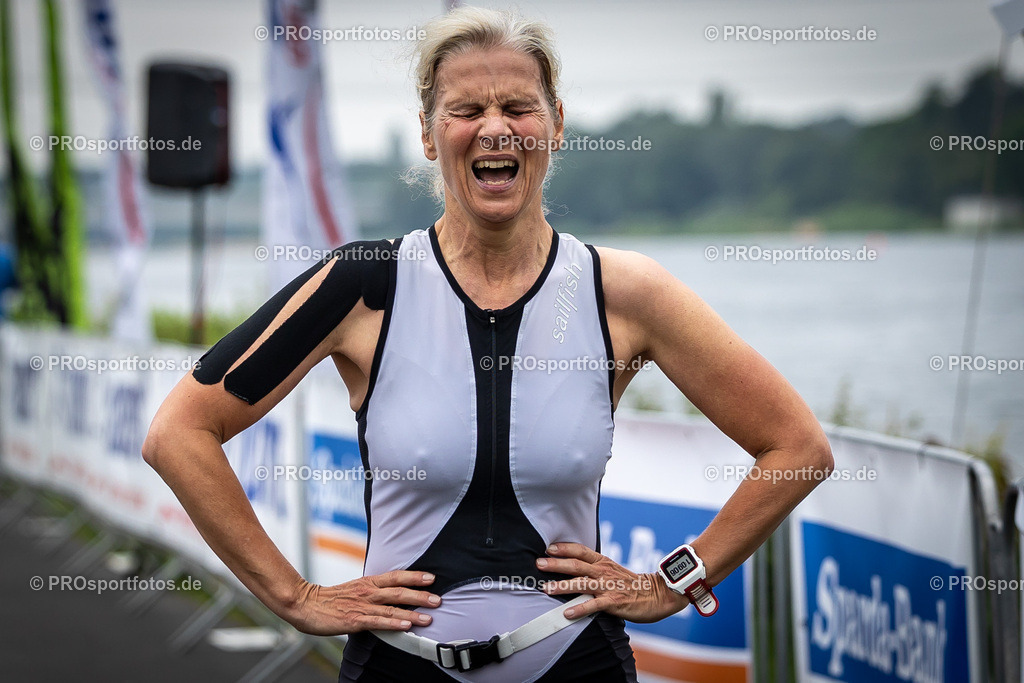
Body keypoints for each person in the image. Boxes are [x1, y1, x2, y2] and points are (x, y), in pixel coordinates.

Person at [143, 7, 833, 682]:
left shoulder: (623, 292)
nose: (495, 128)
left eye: (519, 106)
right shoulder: (362, 283)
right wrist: (296, 596)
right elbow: (179, 432)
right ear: (427, 132)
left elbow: (797, 446)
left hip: (575, 661)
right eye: (466, 109)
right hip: (399, 664)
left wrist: (672, 580)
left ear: (556, 125)